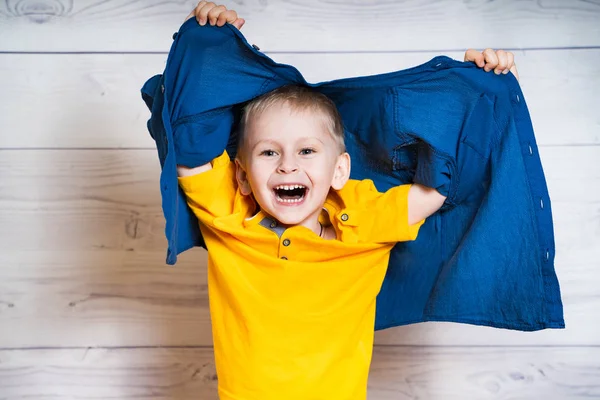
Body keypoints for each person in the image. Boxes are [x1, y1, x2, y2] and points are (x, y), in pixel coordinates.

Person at [176, 3, 520, 399]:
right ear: (242, 176)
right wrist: (204, 41)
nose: (288, 166)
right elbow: (191, 143)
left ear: (339, 170)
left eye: (307, 151)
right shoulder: (230, 217)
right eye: (269, 153)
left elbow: (442, 183)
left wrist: (475, 82)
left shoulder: (362, 224)